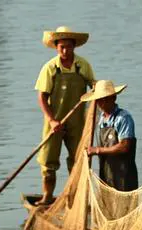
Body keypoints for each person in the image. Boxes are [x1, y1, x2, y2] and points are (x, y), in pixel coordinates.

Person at [35, 26, 95, 205]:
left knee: (78, 160)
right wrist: (52, 120)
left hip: (77, 120)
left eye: (68, 47)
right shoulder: (50, 68)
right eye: (61, 47)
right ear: (56, 47)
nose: (65, 51)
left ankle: (75, 198)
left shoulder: (82, 65)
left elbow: (93, 86)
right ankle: (47, 196)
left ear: (74, 47)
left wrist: (95, 90)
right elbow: (42, 97)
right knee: (48, 161)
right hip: (54, 121)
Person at [84, 80, 138, 191]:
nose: (101, 103)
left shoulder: (123, 118)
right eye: (99, 100)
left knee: (125, 206)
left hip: (124, 174)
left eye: (105, 99)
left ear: (113, 98)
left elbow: (124, 146)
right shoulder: (101, 119)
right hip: (106, 173)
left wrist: (97, 150)